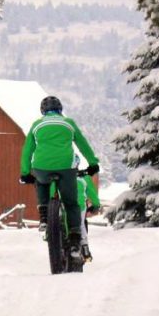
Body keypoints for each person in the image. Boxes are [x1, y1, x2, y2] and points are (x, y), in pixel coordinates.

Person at [19, 95, 99, 261]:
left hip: (42, 166)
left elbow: (27, 150)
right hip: (65, 167)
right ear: (60, 110)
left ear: (43, 111)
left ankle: (43, 216)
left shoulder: (37, 125)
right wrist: (93, 163)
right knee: (71, 203)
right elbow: (83, 144)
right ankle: (76, 238)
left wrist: (25, 172)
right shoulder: (68, 123)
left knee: (40, 182)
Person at [73, 153, 101, 262]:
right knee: (80, 224)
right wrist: (96, 205)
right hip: (79, 205)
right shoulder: (84, 177)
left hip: (63, 205)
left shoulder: (60, 176)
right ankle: (85, 249)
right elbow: (92, 193)